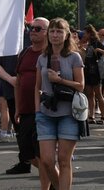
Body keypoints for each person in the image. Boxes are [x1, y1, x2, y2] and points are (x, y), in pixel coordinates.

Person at [35, 18, 84, 190]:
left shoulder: (74, 57)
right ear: (48, 35)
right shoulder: (42, 57)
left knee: (64, 161)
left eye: (59, 31)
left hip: (68, 113)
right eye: (52, 31)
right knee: (47, 161)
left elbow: (81, 85)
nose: (55, 35)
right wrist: (37, 111)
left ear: (66, 34)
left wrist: (60, 80)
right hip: (45, 113)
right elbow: (37, 86)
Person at [7, 17, 48, 177]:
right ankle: (54, 180)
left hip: (44, 110)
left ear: (47, 33)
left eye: (38, 29)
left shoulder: (50, 54)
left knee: (42, 154)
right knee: (26, 153)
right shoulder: (25, 52)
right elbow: (18, 82)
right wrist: (18, 108)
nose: (33, 31)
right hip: (25, 110)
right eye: (32, 28)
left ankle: (55, 183)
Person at [81, 25, 104, 124]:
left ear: (89, 33)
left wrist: (99, 50)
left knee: (98, 94)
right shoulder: (88, 43)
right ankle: (91, 115)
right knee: (89, 94)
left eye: (85, 33)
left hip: (96, 72)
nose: (83, 35)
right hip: (87, 72)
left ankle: (103, 116)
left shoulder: (96, 43)